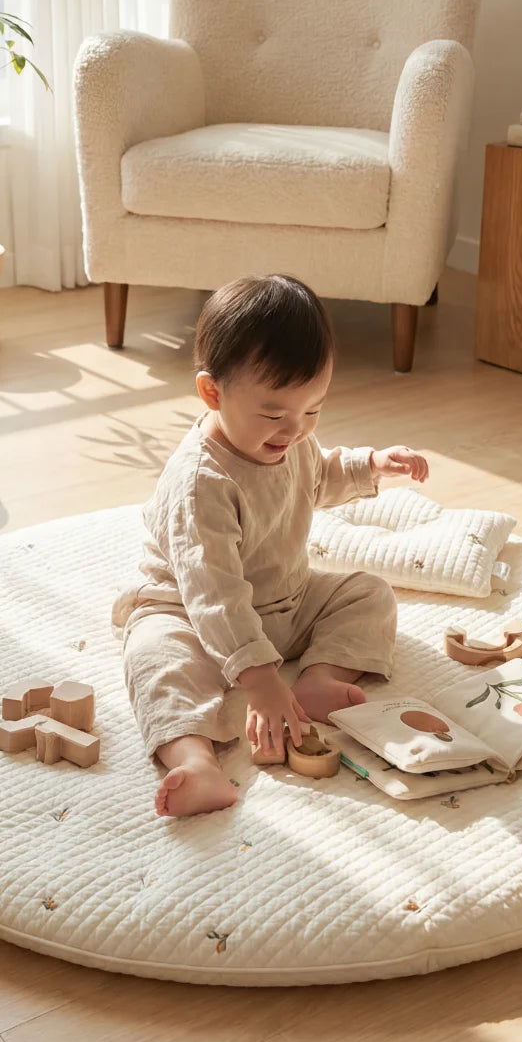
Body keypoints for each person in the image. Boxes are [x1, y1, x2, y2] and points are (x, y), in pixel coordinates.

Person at [114, 274, 428, 816]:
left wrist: (372, 465)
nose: (295, 430)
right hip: (192, 615)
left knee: (369, 594)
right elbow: (214, 594)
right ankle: (194, 761)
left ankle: (319, 679)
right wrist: (259, 680)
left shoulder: (291, 438)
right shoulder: (200, 484)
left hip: (285, 601)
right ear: (213, 393)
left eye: (314, 410)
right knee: (156, 659)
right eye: (275, 414)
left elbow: (319, 477)